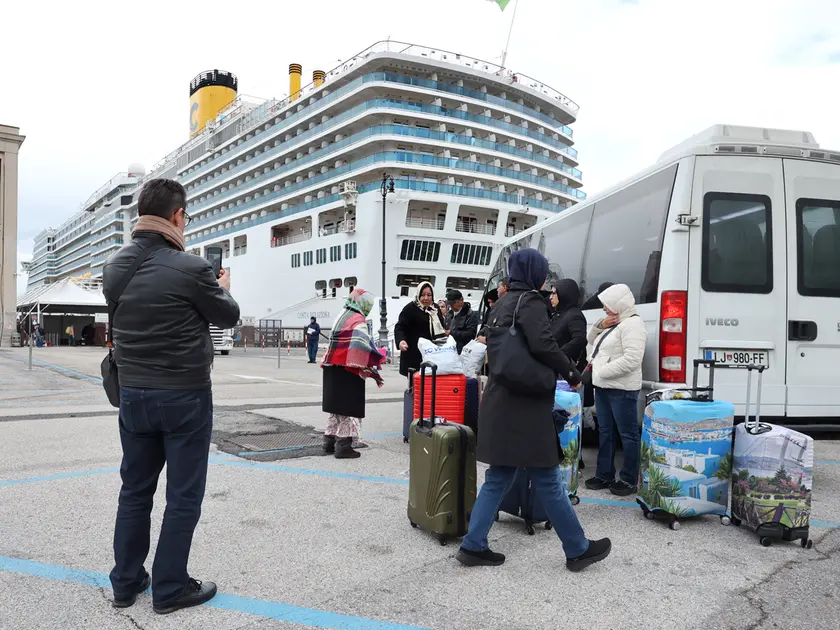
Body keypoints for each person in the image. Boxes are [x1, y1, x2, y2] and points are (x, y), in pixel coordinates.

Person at [103, 178, 240, 614]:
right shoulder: (192, 268)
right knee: (183, 496)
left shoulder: (114, 267)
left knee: (134, 490)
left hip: (133, 394)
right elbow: (228, 316)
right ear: (177, 215)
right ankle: (169, 588)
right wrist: (222, 286)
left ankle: (126, 583)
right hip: (184, 396)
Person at [456, 248, 611, 572]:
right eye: (542, 273)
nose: (545, 280)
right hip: (525, 405)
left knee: (498, 477)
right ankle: (577, 548)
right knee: (547, 477)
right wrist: (572, 373)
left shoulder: (501, 304)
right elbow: (544, 344)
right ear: (533, 273)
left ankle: (473, 544)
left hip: (500, 399)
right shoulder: (530, 302)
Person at [583, 283, 647, 497]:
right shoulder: (614, 323)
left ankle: (629, 479)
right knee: (606, 432)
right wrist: (599, 326)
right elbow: (591, 342)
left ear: (619, 304)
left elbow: (632, 359)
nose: (604, 308)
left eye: (607, 304)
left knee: (628, 434)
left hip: (622, 389)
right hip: (604, 387)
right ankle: (604, 474)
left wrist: (600, 372)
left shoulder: (633, 325)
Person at [321, 288, 386, 458]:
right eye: (369, 305)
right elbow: (362, 346)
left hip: (332, 365)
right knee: (347, 408)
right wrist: (378, 356)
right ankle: (343, 445)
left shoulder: (341, 315)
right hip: (348, 368)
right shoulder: (358, 320)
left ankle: (329, 440)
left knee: (336, 407)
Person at [549, 278, 589, 469]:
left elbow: (580, 339)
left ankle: (574, 458)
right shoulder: (558, 314)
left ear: (564, 294)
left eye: (554, 293)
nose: (551, 297)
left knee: (572, 418)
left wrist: (559, 355)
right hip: (557, 371)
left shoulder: (574, 315)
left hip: (568, 374)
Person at [394, 282, 446, 377]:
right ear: (418, 295)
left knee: (431, 383)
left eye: (429, 295)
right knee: (415, 383)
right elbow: (400, 327)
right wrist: (401, 341)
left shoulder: (435, 309)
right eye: (423, 295)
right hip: (414, 354)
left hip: (432, 354)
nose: (426, 298)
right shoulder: (410, 309)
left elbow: (441, 326)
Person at [444, 289, 479, 353]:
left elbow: (471, 334)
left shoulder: (470, 315)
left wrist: (452, 333)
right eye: (450, 304)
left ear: (461, 300)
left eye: (453, 303)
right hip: (448, 349)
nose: (451, 306)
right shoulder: (449, 314)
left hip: (463, 351)